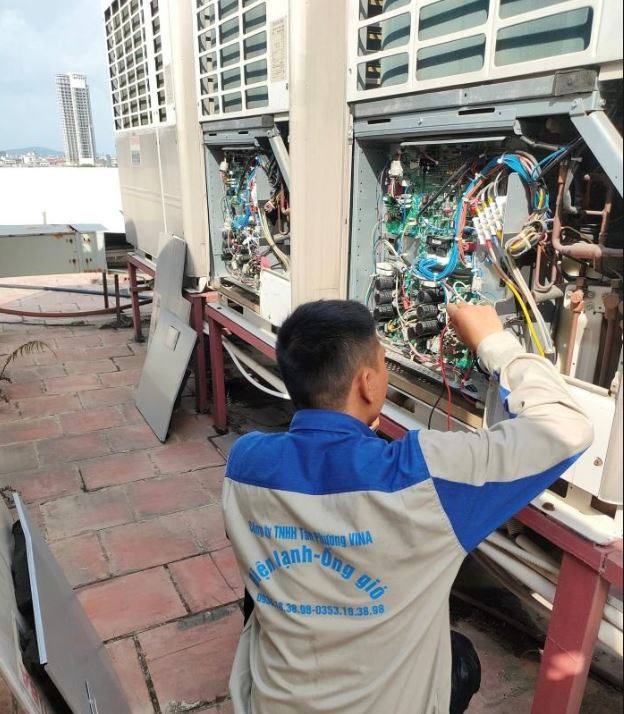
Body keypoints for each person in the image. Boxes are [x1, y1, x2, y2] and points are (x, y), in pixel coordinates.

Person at [222, 300, 592, 714]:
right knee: (461, 660)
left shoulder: (245, 462)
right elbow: (567, 427)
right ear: (367, 384)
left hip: (270, 705)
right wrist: (494, 342)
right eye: (383, 363)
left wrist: (359, 445)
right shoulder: (428, 478)